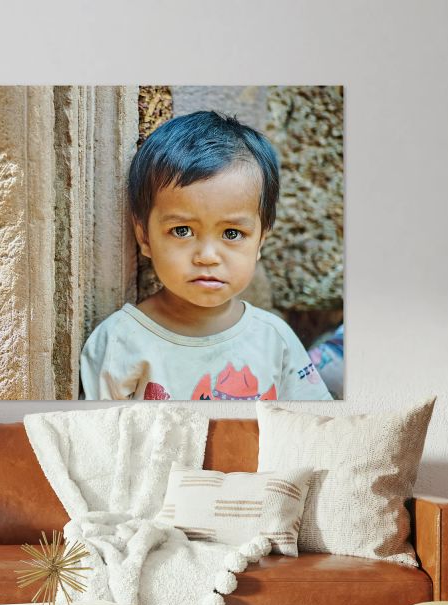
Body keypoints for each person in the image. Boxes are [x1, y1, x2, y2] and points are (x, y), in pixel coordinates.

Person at [80, 111, 333, 401]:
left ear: (260, 241)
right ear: (145, 237)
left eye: (232, 234)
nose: (207, 257)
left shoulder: (275, 339)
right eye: (182, 230)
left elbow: (313, 427)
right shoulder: (120, 342)